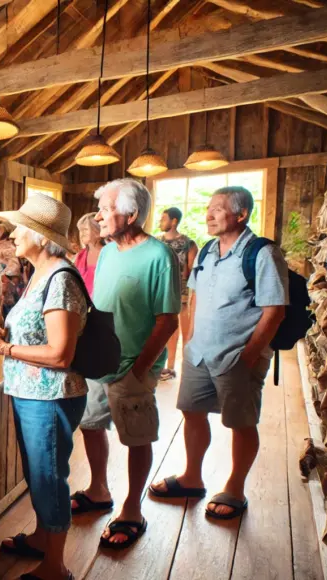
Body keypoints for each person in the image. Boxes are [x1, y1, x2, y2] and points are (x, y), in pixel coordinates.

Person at [149, 186, 288, 520]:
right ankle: (192, 478)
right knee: (192, 412)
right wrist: (190, 341)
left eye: (218, 209)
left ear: (240, 215)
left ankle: (235, 488)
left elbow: (274, 311)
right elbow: (194, 297)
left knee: (241, 422)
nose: (209, 215)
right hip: (199, 353)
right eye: (208, 208)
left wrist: (250, 356)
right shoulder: (209, 249)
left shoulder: (262, 253)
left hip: (237, 355)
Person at [0, 193, 87, 580]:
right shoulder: (40, 273)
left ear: (40, 236)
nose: (12, 234)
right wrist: (6, 336)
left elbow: (60, 354)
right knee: (38, 472)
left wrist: (5, 347)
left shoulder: (60, 278)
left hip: (51, 396)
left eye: (21, 227)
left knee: (50, 477)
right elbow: (36, 332)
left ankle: (55, 567)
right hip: (30, 393)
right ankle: (42, 538)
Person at [71, 178, 180, 550]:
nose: (99, 216)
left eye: (106, 209)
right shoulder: (107, 253)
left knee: (136, 436)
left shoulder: (159, 256)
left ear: (131, 214)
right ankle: (99, 490)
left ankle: (133, 509)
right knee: (89, 424)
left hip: (133, 364)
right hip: (99, 360)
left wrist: (139, 369)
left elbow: (168, 319)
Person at [158, 207, 198, 381]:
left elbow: (192, 272)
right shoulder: (157, 243)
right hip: (160, 293)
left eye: (164, 218)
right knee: (163, 330)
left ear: (174, 221)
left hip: (182, 296)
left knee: (186, 332)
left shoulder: (189, 244)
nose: (161, 222)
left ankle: (185, 368)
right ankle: (165, 367)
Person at [73, 213, 103, 298]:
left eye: (85, 229)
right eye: (80, 230)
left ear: (97, 231)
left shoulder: (108, 253)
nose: (81, 233)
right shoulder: (80, 255)